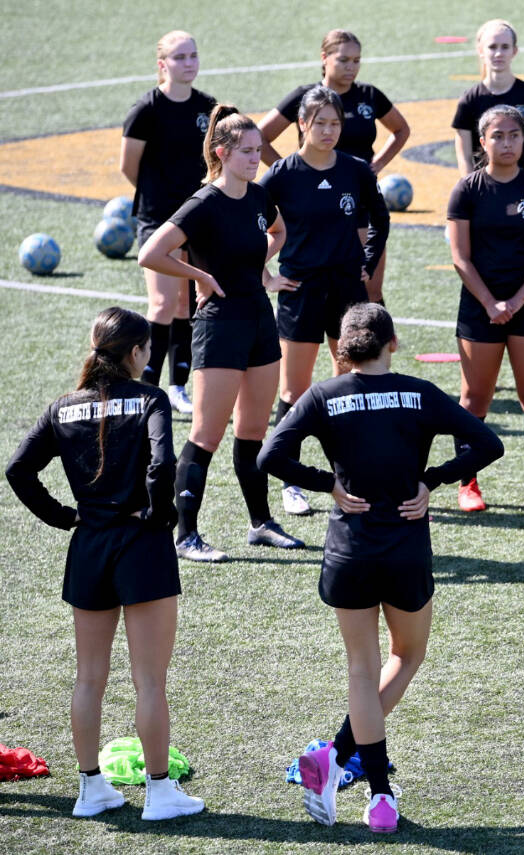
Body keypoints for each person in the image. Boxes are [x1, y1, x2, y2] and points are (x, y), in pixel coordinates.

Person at [258, 303, 503, 833]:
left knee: (361, 672)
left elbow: (268, 457)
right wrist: (433, 480)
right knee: (407, 656)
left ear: (343, 348)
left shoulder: (323, 394)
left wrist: (329, 486)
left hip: (349, 551)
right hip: (405, 550)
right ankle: (351, 772)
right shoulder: (419, 392)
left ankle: (364, 785)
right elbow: (489, 443)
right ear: (392, 343)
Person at [5, 307, 204, 820]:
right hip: (141, 547)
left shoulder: (62, 407)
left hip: (89, 546)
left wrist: (65, 517)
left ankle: (91, 788)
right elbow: (164, 464)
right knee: (150, 681)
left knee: (88, 677)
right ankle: (159, 793)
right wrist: (159, 516)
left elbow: (18, 470)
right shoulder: (150, 398)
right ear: (136, 353)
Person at [138, 105, 304, 561]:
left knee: (253, 431)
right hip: (219, 328)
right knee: (207, 434)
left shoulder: (256, 195)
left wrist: (261, 269)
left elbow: (278, 230)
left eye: (258, 151)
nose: (257, 159)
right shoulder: (203, 202)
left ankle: (261, 523)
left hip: (259, 321)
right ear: (221, 152)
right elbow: (151, 253)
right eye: (248, 152)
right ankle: (186, 534)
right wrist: (201, 277)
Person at [259, 86, 390, 517]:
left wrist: (368, 263)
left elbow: (380, 217)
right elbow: (245, 221)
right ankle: (291, 481)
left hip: (347, 293)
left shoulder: (355, 170)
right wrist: (266, 275)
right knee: (295, 390)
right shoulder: (281, 174)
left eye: (336, 123)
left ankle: (348, 472)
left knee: (348, 383)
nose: (330, 131)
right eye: (321, 123)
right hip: (300, 290)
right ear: (303, 124)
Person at [446, 105, 524, 511]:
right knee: (475, 399)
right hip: (479, 307)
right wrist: (491, 302)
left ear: (523, 139)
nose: (507, 143)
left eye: (514, 135)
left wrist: (515, 301)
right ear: (483, 142)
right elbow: (461, 257)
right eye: (498, 136)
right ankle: (468, 484)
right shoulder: (467, 190)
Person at [258, 29, 410, 305]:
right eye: (343, 60)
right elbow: (260, 137)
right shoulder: (305, 97)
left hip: (356, 201)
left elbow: (401, 129)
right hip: (313, 205)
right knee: (316, 289)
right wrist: (290, 173)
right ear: (324, 58)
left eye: (356, 60)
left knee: (369, 290)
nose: (351, 67)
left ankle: (374, 346)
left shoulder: (369, 95)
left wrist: (377, 166)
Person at [120, 30, 217, 415]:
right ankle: (146, 388)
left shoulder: (209, 108)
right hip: (158, 220)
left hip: (196, 219)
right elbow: (129, 166)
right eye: (179, 57)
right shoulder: (146, 109)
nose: (188, 63)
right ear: (162, 65)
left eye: (193, 55)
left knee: (186, 304)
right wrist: (156, 204)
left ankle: (177, 387)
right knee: (161, 303)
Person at [452, 20, 524, 177]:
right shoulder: (469, 100)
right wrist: (474, 193)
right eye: (492, 47)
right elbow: (464, 159)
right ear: (481, 51)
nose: (498, 53)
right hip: (484, 192)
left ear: (514, 51)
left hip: (523, 191)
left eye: (505, 47)